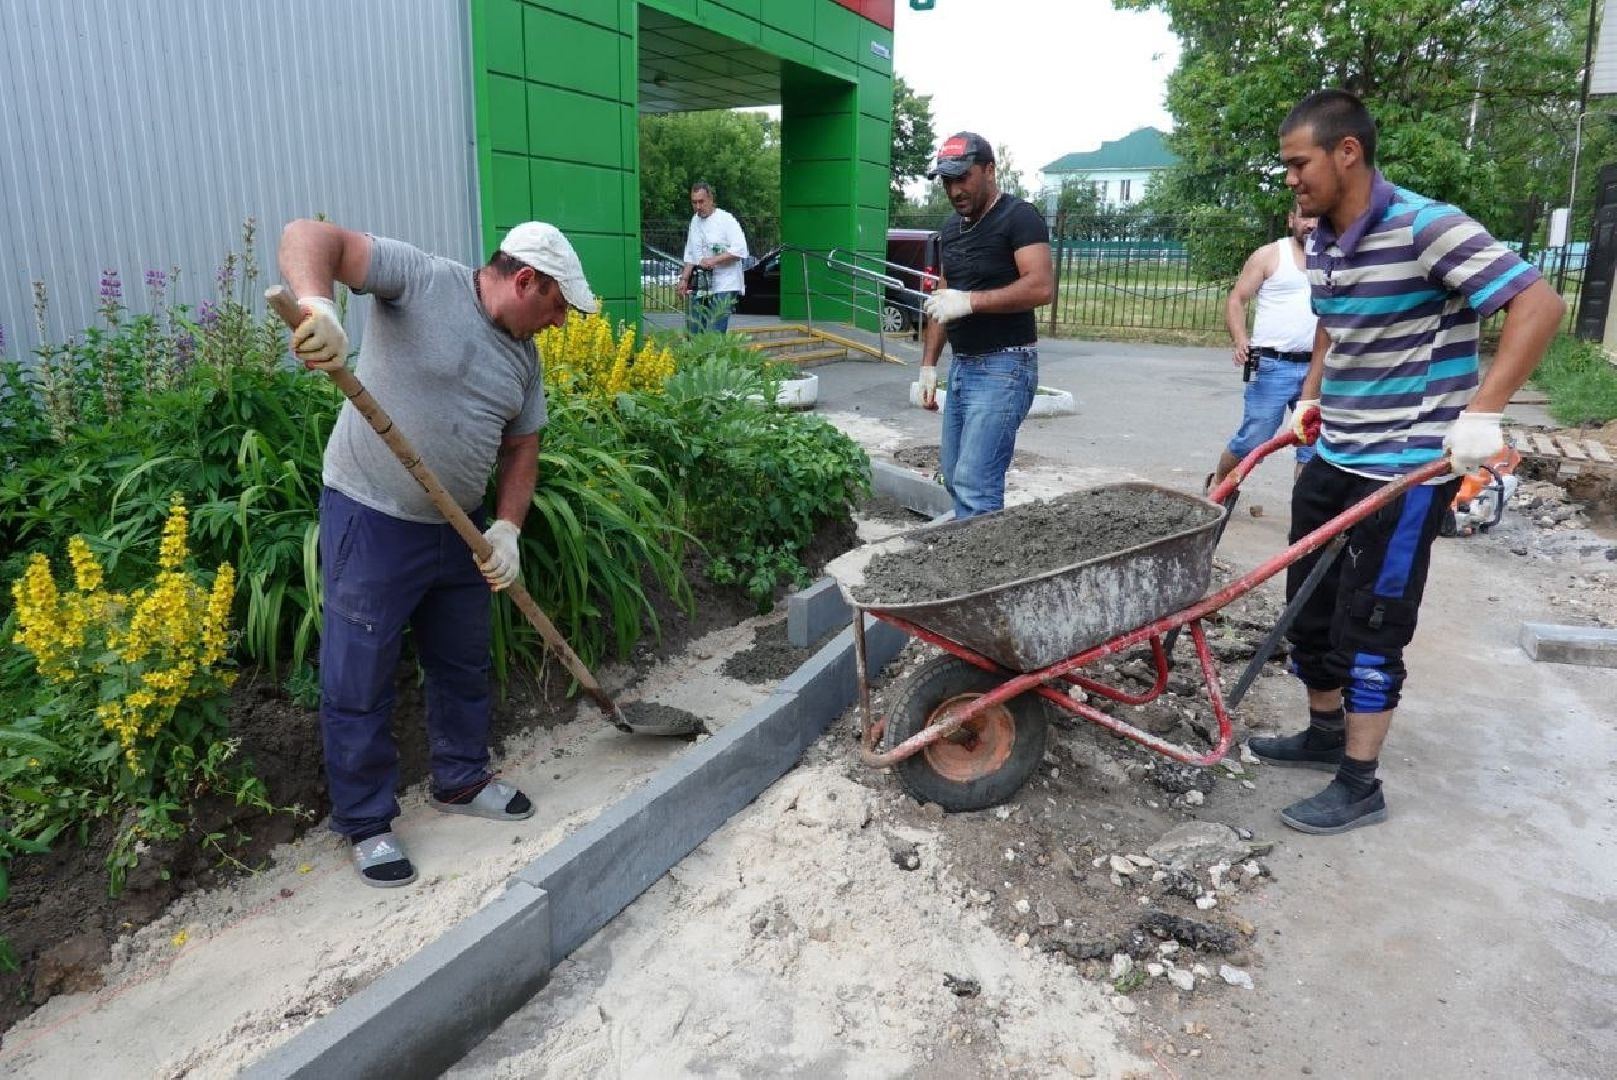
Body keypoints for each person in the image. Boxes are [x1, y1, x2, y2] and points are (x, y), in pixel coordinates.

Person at [1250, 90, 1564, 834]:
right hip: (1335, 453)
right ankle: (1323, 733)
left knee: (1372, 623)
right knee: (1309, 611)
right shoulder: (1322, 237)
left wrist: (1483, 412)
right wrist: (1311, 395)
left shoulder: (1427, 227)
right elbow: (1331, 321)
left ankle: (1360, 783)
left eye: (1298, 163)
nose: (1290, 178)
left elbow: (1539, 305)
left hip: (1405, 468)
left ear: (1347, 152)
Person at [279, 217, 598, 886]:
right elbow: (310, 235)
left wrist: (506, 529)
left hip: (462, 530)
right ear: (525, 280)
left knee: (462, 662)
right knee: (359, 676)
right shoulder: (421, 280)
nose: (560, 322)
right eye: (557, 305)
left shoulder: (524, 359)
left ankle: (461, 779)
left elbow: (522, 448)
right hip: (372, 516)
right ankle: (366, 823)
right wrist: (317, 306)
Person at [918, 132, 1054, 519]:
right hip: (963, 367)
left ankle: (979, 557)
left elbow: (1041, 287)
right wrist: (929, 365)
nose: (955, 190)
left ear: (989, 170)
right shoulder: (951, 229)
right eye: (947, 182)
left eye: (963, 178)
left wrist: (970, 301)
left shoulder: (1019, 217)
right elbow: (944, 295)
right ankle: (969, 547)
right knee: (953, 476)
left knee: (976, 484)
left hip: (1005, 366)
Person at [1208, 205, 1320, 490]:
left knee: (1313, 444)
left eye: (1318, 218)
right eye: (1305, 217)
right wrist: (1240, 339)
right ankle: (1219, 485)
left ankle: (1305, 512)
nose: (1311, 224)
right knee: (1255, 437)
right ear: (1291, 219)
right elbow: (1237, 299)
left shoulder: (1334, 259)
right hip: (1272, 365)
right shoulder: (1270, 255)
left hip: (1318, 368)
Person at [676, 181, 748, 334]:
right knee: (695, 328)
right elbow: (691, 253)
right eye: (694, 202)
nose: (698, 206)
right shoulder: (694, 221)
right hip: (702, 283)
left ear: (710, 199)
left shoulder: (726, 219)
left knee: (715, 329)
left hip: (726, 283)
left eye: (701, 201)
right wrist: (684, 279)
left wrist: (714, 260)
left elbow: (740, 250)